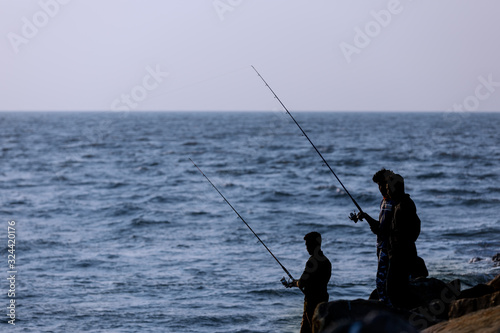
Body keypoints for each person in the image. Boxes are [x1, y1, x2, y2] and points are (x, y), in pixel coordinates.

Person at [357, 168, 394, 305]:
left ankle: (387, 308)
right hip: (381, 246)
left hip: (388, 248)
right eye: (378, 185)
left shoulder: (393, 203)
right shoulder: (383, 202)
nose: (380, 188)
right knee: (382, 282)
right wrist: (367, 218)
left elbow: (383, 229)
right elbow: (380, 227)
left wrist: (367, 217)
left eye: (382, 184)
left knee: (382, 283)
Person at [385, 173, 421, 308]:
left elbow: (412, 230)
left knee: (394, 291)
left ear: (396, 188)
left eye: (388, 188)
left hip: (401, 257)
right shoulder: (401, 204)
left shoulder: (403, 206)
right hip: (400, 255)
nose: (387, 191)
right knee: (397, 291)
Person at [284, 232, 332, 333]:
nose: (306, 248)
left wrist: (294, 283)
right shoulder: (326, 261)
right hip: (323, 301)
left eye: (307, 245)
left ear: (313, 244)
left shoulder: (312, 262)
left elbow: (302, 283)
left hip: (312, 304)